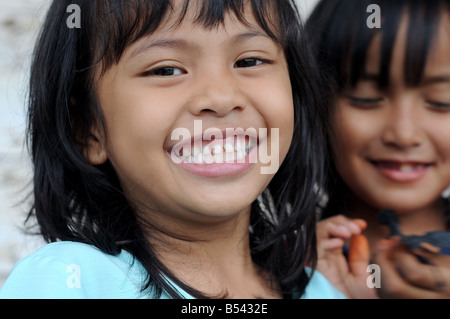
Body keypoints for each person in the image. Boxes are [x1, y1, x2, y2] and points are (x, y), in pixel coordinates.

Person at [0, 0, 344, 299]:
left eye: (250, 61)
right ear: (88, 130)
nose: (222, 98)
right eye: (166, 69)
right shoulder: (72, 282)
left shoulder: (323, 292)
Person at [306, 0, 450, 298]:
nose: (404, 135)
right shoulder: (277, 267)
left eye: (441, 101)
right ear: (313, 102)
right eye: (366, 98)